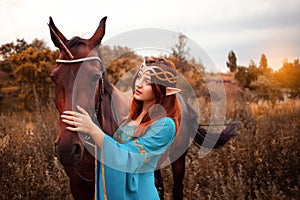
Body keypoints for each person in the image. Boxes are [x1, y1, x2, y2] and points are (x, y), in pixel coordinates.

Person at [61, 57, 182, 200]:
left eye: (148, 82)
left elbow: (128, 157)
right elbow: (111, 149)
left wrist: (93, 130)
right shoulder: (132, 117)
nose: (139, 84)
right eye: (140, 77)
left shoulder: (165, 125)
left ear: (164, 90)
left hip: (139, 195)